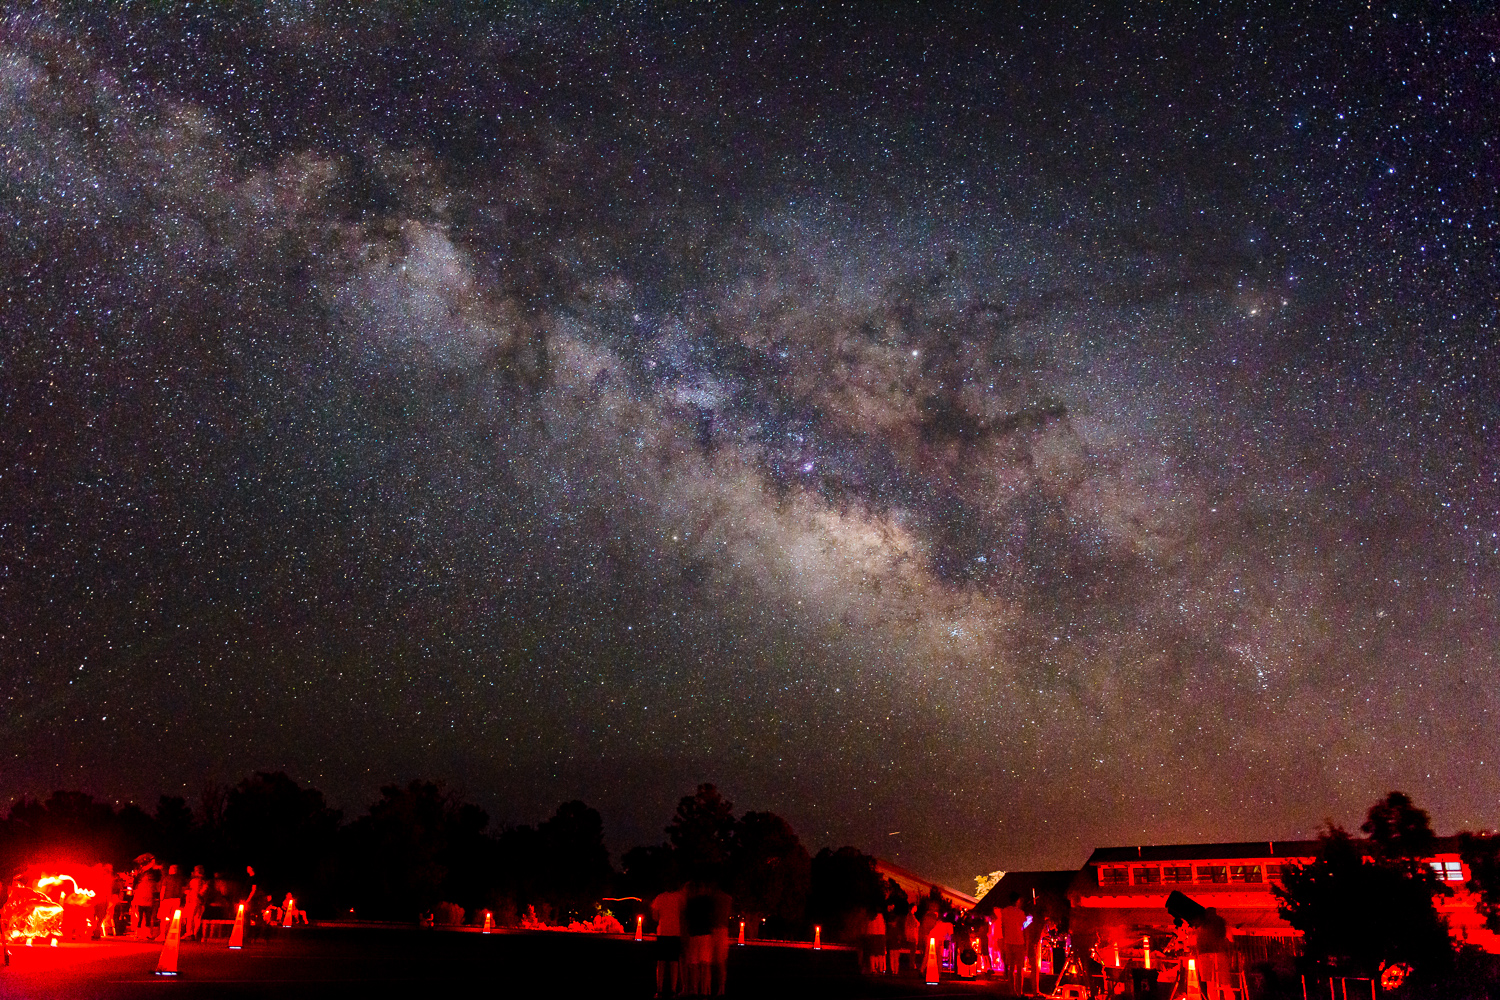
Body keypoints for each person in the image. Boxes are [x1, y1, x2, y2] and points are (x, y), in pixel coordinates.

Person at [650, 881, 686, 998]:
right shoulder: (680, 898)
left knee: (661, 963)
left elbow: (655, 917)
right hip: (675, 932)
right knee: (673, 963)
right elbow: (683, 914)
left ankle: (659, 988)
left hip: (663, 932)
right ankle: (673, 989)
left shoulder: (659, 898)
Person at [682, 880, 715, 997]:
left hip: (694, 934)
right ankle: (704, 990)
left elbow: (686, 919)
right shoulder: (709, 902)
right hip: (706, 934)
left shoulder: (690, 902)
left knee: (695, 964)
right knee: (705, 965)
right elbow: (713, 918)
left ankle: (695, 989)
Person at [999, 892, 1028, 996]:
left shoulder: (1004, 911)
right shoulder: (1021, 913)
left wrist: (1005, 938)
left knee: (1011, 968)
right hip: (1019, 942)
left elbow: (1003, 927)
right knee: (1020, 969)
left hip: (1008, 942)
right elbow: (1023, 927)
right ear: (1017, 901)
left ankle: (1012, 991)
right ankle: (1019, 992)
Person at [708, 882, 733, 996]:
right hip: (723, 930)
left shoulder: (712, 898)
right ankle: (721, 987)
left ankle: (707, 987)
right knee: (721, 962)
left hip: (714, 930)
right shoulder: (728, 899)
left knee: (708, 961)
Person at [131, 855, 161, 940]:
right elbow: (135, 884)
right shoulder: (140, 874)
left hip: (148, 898)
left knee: (148, 917)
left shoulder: (153, 874)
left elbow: (157, 879)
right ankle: (138, 933)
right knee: (140, 917)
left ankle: (148, 934)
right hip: (141, 898)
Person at [158, 864, 185, 933]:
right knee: (173, 917)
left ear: (171, 870)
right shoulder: (180, 879)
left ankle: (163, 933)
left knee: (164, 917)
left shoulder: (167, 878)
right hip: (177, 899)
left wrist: (161, 899)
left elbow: (163, 889)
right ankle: (171, 932)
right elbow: (182, 890)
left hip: (167, 899)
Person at [185, 866, 208, 940]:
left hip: (193, 901)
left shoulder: (195, 880)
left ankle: (190, 933)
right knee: (197, 918)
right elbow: (204, 890)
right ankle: (194, 933)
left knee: (191, 917)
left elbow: (190, 891)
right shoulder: (204, 880)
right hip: (200, 901)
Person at [865, 907, 888, 973]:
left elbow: (869, 928)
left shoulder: (870, 917)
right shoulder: (881, 917)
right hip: (880, 936)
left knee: (873, 953)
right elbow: (883, 928)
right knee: (880, 954)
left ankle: (873, 968)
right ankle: (880, 969)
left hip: (873, 936)